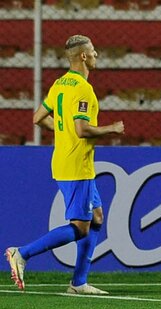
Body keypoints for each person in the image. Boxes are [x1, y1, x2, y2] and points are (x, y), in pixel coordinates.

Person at [5, 34, 125, 294]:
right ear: (83, 56)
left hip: (66, 159)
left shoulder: (60, 84)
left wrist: (62, 133)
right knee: (81, 228)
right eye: (93, 51)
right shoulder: (83, 89)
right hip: (75, 164)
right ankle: (22, 253)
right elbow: (82, 130)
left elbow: (38, 117)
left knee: (95, 217)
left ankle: (78, 283)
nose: (96, 55)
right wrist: (111, 128)